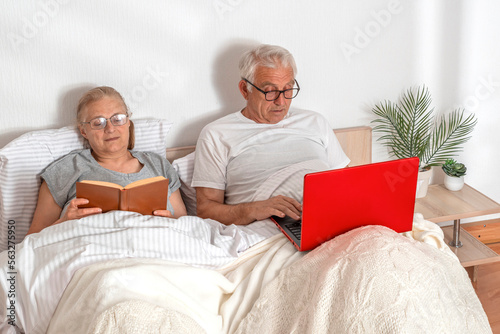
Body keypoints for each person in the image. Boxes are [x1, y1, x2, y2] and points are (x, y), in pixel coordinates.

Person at [192, 44, 350, 226]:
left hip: (329, 218)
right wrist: (253, 209)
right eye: (270, 91)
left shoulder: (315, 121)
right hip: (270, 228)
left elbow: (345, 184)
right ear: (245, 89)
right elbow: (206, 210)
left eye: (288, 89)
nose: (281, 101)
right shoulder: (216, 134)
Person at [27, 86, 186, 234]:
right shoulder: (67, 169)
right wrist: (64, 222)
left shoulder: (158, 165)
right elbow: (32, 239)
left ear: (128, 121)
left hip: (157, 248)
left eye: (117, 119)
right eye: (98, 122)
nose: (110, 129)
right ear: (84, 131)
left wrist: (171, 223)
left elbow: (187, 228)